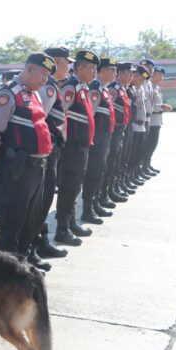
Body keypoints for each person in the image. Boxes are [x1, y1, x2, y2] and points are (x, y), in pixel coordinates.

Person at [0, 53, 55, 265]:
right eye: (42, 74)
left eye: (47, 76)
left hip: (37, 168)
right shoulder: (8, 94)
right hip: (18, 169)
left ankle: (22, 265)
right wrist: (0, 162)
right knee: (12, 221)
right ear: (29, 69)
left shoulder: (35, 95)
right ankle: (6, 271)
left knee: (30, 220)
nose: (44, 80)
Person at [32, 46, 73, 262]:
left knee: (45, 198)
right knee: (42, 199)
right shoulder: (47, 88)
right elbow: (39, 120)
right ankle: (35, 244)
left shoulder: (52, 86)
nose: (70, 65)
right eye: (67, 61)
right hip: (47, 151)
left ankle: (41, 240)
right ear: (55, 61)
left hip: (52, 150)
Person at [54, 50, 99, 246]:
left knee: (75, 187)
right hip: (71, 148)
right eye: (92, 68)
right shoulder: (70, 88)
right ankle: (62, 229)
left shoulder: (82, 88)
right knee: (68, 187)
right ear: (80, 68)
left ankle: (71, 223)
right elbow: (59, 114)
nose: (95, 72)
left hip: (81, 147)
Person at [81, 58, 118, 225]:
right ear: (103, 71)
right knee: (93, 173)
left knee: (100, 172)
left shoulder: (103, 89)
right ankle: (88, 209)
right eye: (112, 70)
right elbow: (90, 116)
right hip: (97, 140)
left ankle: (94, 204)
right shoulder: (95, 89)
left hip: (104, 138)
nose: (115, 74)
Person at [104, 62, 134, 203]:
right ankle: (104, 194)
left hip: (121, 130)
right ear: (120, 73)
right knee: (110, 163)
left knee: (117, 161)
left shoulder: (122, 89)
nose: (131, 76)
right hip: (113, 131)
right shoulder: (113, 89)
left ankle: (112, 189)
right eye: (128, 73)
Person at [145, 66, 171, 174]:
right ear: (152, 75)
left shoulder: (156, 87)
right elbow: (149, 104)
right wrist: (161, 107)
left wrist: (161, 106)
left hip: (157, 121)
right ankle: (143, 166)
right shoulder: (149, 87)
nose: (161, 77)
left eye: (162, 75)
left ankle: (147, 164)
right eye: (158, 74)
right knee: (148, 145)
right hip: (151, 122)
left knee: (153, 145)